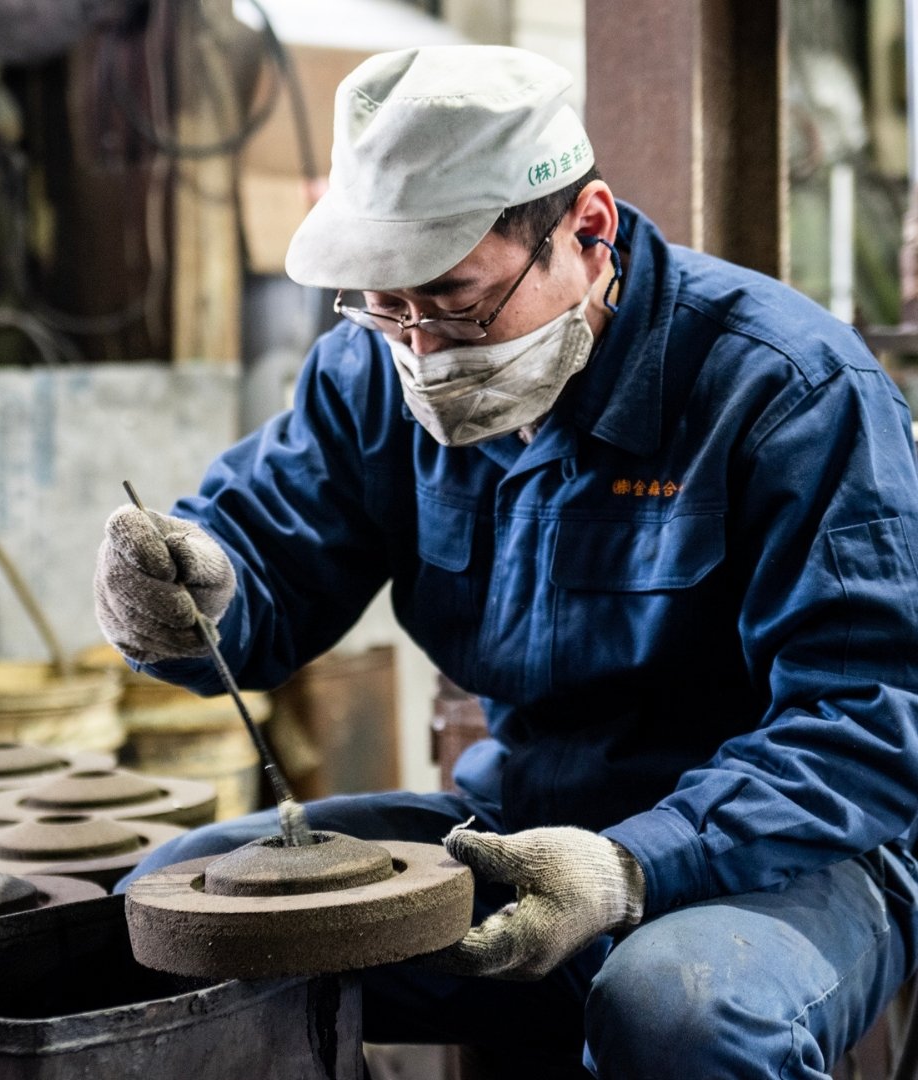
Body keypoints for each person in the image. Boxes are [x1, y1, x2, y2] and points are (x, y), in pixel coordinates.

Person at [94, 44, 918, 1078]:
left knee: (678, 1009)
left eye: (455, 301)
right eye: (384, 306)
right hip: (517, 829)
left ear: (589, 230)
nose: (423, 354)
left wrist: (631, 866)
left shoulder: (789, 391)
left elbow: (866, 729)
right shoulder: (374, 367)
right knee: (184, 909)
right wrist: (194, 594)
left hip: (782, 860)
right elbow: (265, 556)